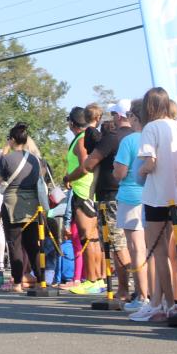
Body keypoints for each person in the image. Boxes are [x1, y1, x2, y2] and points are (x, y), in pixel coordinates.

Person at [127, 88, 177, 322]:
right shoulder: (175, 126)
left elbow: (150, 162)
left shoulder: (150, 128)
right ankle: (164, 302)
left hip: (155, 196)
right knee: (168, 250)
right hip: (176, 194)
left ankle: (166, 305)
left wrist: (140, 172)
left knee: (158, 252)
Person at [80, 101, 134, 299]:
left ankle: (124, 289)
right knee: (136, 244)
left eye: (113, 114)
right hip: (140, 195)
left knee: (117, 243)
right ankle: (142, 291)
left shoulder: (113, 137)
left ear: (119, 116)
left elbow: (89, 163)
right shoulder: (140, 136)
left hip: (111, 195)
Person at [0, 123, 44, 293]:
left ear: (13, 140)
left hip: (12, 203)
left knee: (14, 244)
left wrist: (3, 155)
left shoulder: (6, 159)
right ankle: (41, 280)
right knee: (32, 244)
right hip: (32, 204)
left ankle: (17, 283)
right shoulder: (35, 160)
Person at [112, 100, 148, 311]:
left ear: (134, 117)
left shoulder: (130, 140)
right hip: (153, 197)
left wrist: (114, 170)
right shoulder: (155, 136)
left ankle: (142, 296)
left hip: (131, 197)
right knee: (154, 250)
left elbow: (120, 173)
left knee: (136, 249)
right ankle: (155, 295)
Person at [63, 106, 103, 294]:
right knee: (93, 238)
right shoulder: (84, 138)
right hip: (88, 192)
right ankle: (98, 279)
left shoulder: (81, 140)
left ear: (72, 123)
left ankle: (92, 279)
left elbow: (85, 167)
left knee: (87, 238)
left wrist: (68, 178)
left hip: (84, 192)